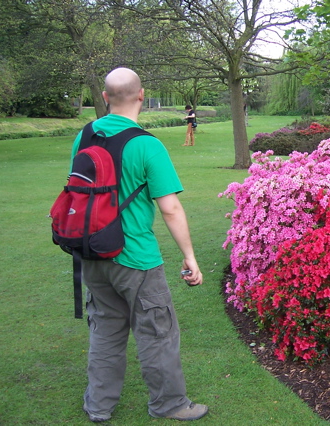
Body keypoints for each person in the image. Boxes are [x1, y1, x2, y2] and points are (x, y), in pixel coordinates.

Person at [70, 68, 208, 422]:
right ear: (142, 96)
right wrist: (190, 257)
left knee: (104, 330)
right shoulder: (147, 144)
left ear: (104, 97)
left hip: (91, 253)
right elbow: (170, 208)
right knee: (157, 331)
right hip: (136, 259)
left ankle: (98, 407)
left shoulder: (83, 136)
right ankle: (170, 404)